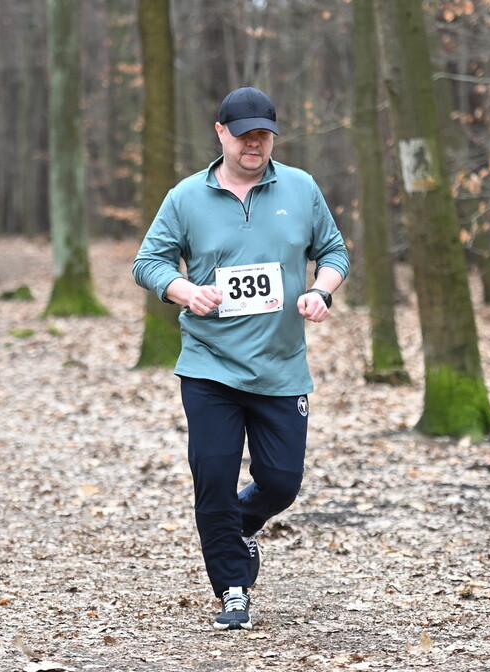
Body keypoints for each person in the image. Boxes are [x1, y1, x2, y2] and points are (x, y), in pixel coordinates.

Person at [133, 86, 349, 631]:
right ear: (221, 132)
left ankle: (239, 524)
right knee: (213, 477)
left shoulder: (300, 189)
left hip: (280, 367)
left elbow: (334, 252)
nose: (255, 143)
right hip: (209, 366)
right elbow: (149, 262)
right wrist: (184, 291)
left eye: (264, 134)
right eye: (244, 132)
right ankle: (233, 587)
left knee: (280, 482)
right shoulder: (185, 197)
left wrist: (321, 292)